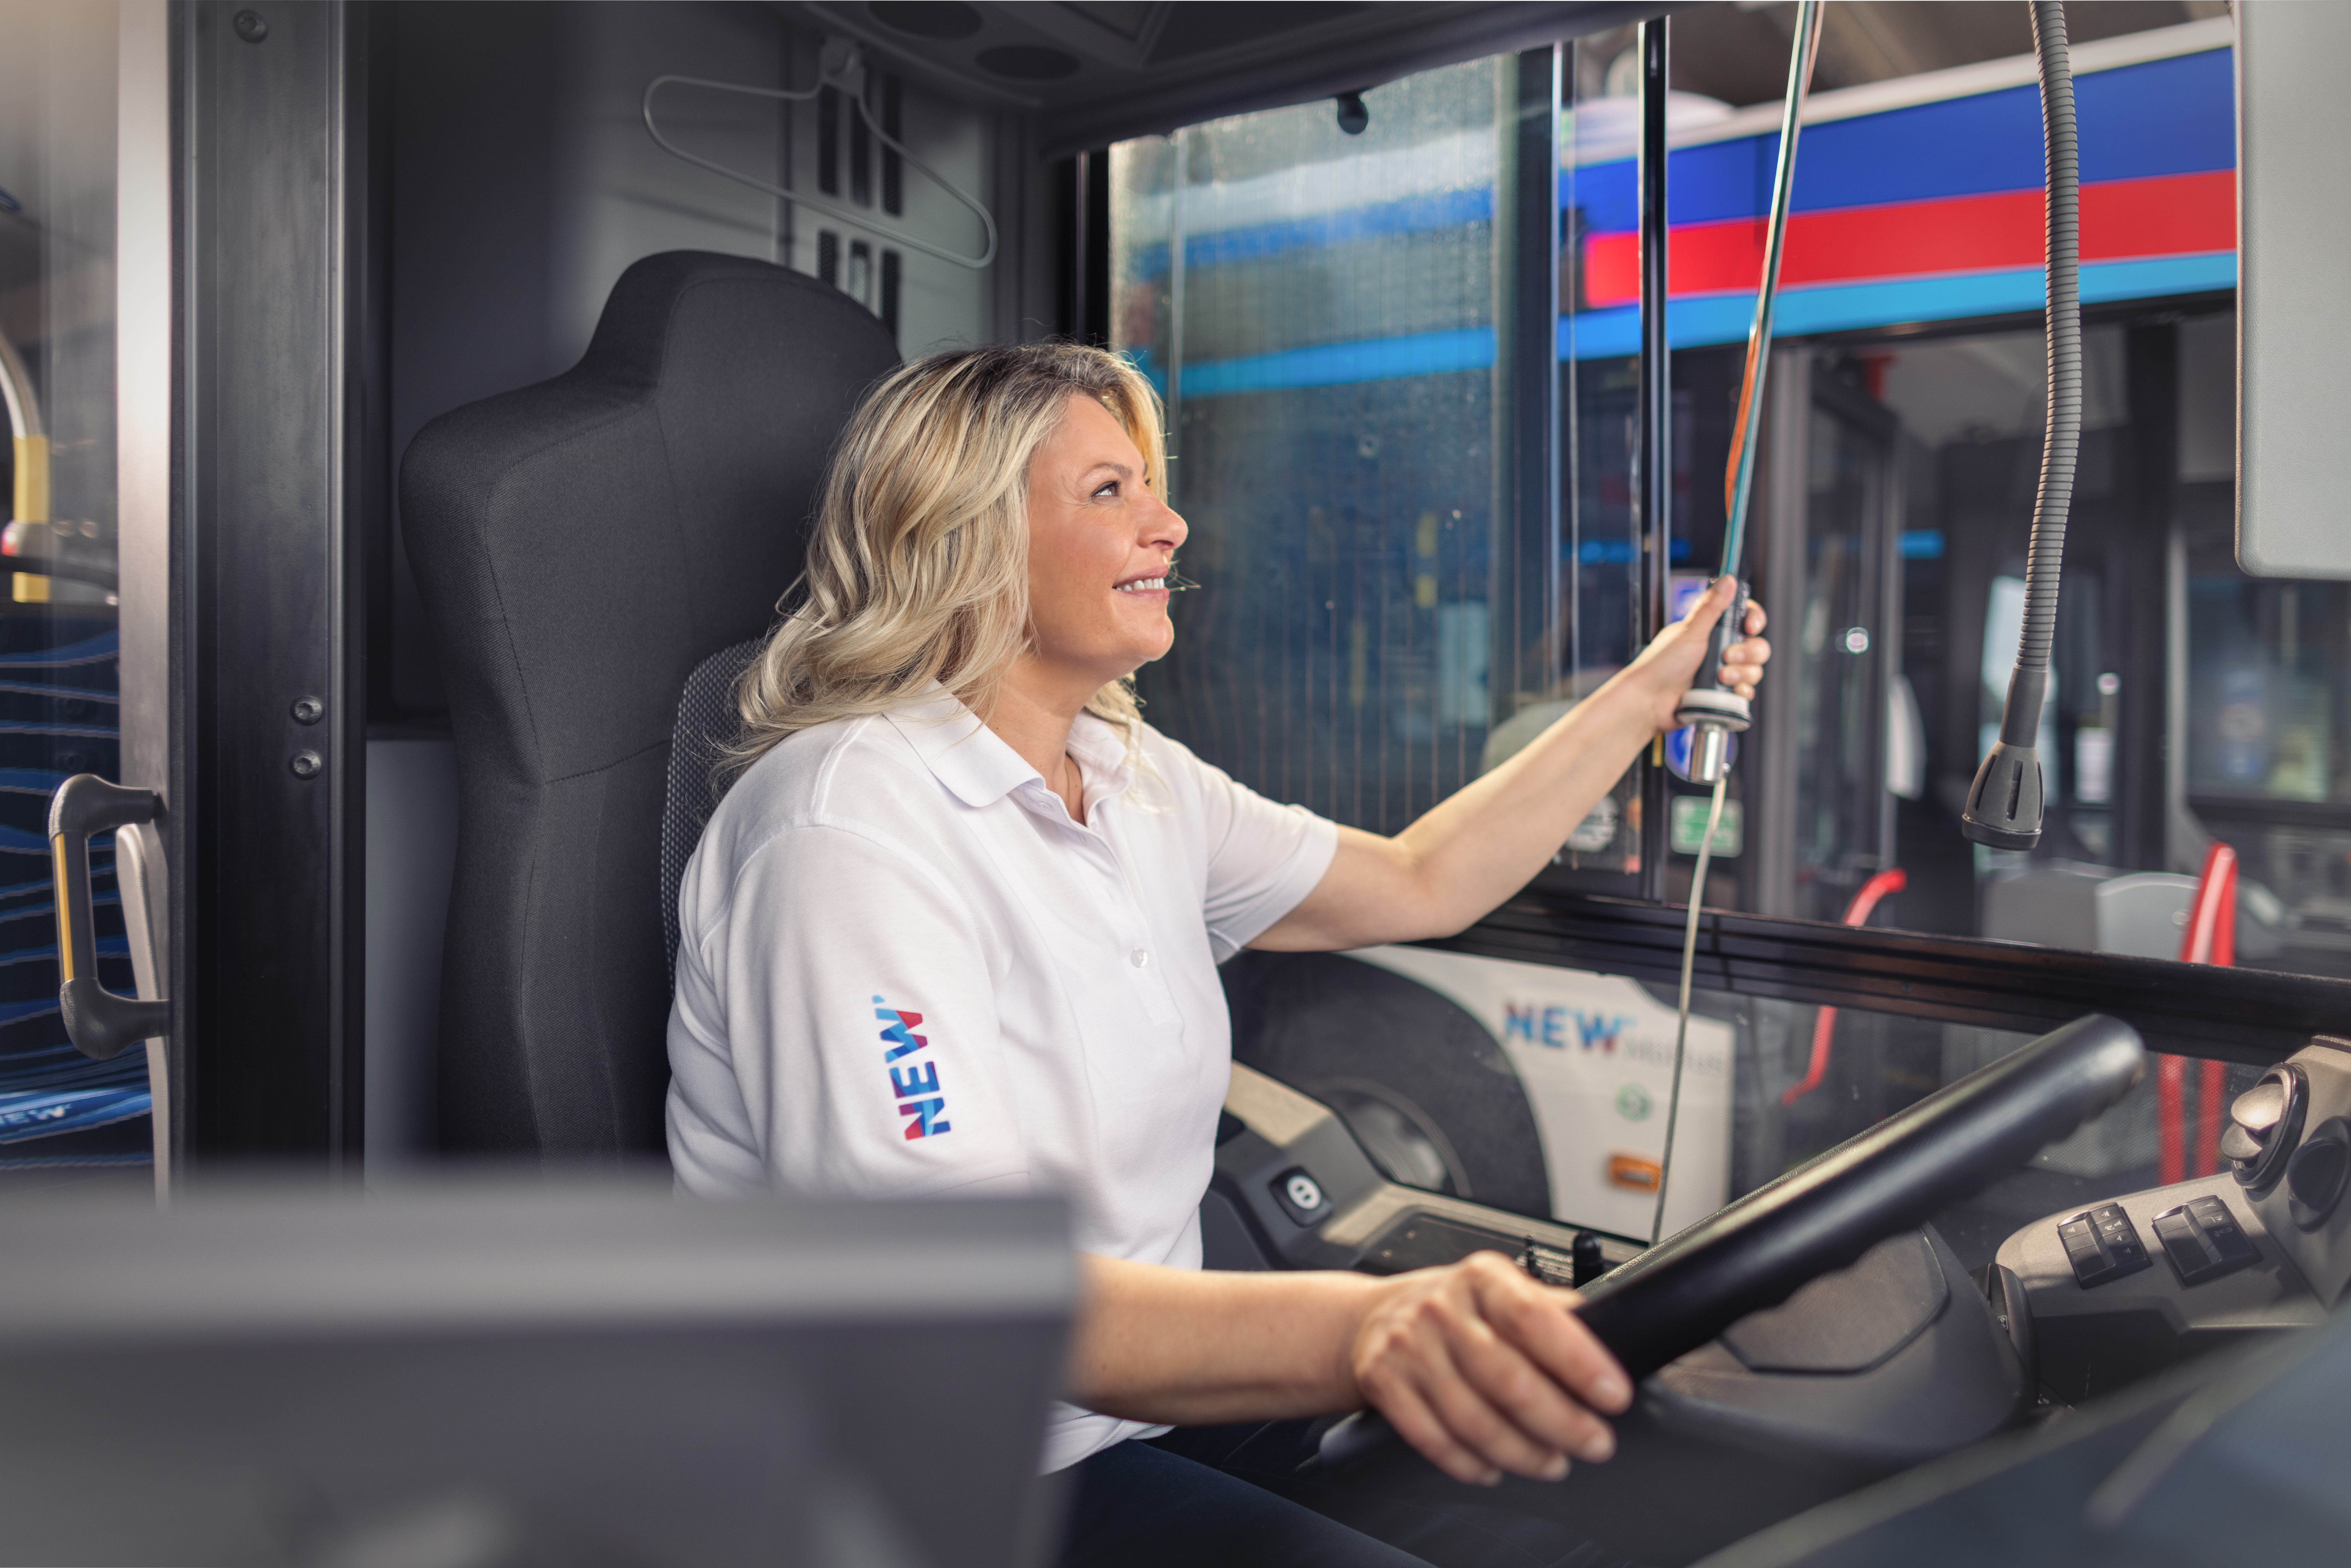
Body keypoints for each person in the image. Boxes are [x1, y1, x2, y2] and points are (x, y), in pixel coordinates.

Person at [666, 344, 1770, 1567]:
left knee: (1618, 1508)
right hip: (942, 1479)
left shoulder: (1134, 777)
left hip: (1144, 1416)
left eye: (1152, 485)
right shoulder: (845, 831)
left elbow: (1420, 879)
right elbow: (968, 1303)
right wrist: (1365, 1330)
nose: (1173, 522)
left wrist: (1646, 697)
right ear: (966, 540)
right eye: (1108, 493)